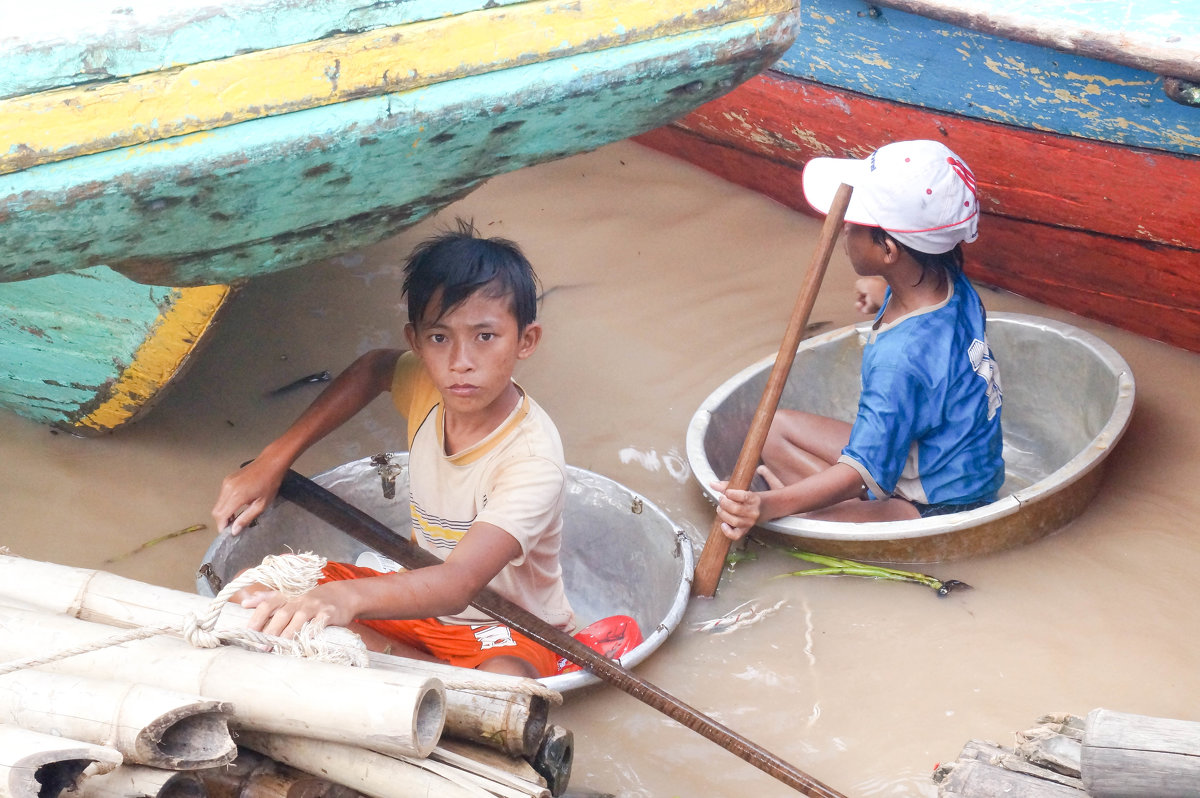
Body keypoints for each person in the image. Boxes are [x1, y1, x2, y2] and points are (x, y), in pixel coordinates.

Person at [211, 219, 575, 678]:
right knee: (255, 594)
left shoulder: (531, 461)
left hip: (502, 625)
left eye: (485, 336)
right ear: (416, 343)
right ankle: (406, 662)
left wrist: (344, 599)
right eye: (440, 338)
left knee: (503, 685)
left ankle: (392, 662)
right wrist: (273, 460)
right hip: (413, 593)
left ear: (526, 341)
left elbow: (459, 583)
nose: (460, 362)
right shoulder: (428, 386)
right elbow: (374, 369)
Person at [712, 140, 1005, 537]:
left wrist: (765, 507)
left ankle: (810, 508)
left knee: (798, 521)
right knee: (773, 428)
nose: (843, 228)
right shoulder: (952, 284)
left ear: (888, 249)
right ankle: (822, 504)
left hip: (937, 502)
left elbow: (858, 472)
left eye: (854, 225)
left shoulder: (900, 357)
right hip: (947, 460)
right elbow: (933, 333)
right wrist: (884, 290)